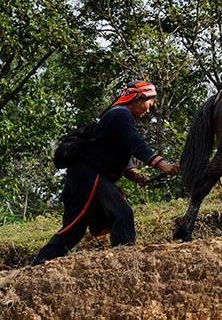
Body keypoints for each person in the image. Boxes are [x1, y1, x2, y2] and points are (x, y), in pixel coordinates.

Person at [31, 80, 180, 265]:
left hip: (81, 179)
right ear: (137, 98)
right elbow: (135, 143)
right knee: (122, 213)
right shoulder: (120, 114)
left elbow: (114, 148)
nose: (148, 110)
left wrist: (132, 172)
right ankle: (125, 261)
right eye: (148, 104)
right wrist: (161, 164)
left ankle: (36, 266)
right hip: (87, 177)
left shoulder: (117, 116)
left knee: (73, 232)